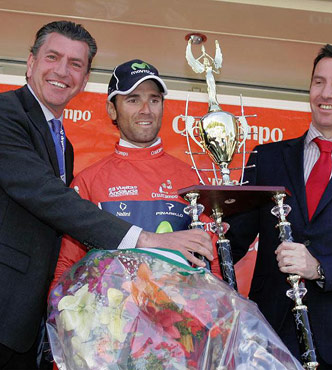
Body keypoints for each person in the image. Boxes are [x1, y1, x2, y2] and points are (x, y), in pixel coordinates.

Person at [0, 21, 212, 369]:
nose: (63, 71)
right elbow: (46, 197)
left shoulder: (62, 143)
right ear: (31, 62)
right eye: (53, 57)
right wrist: (145, 239)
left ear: (84, 80)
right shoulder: (7, 113)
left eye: (76, 65)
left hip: (160, 341)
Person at [227, 44, 332, 369]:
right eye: (318, 82)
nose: (326, 93)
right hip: (271, 337)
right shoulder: (267, 158)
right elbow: (232, 240)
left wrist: (320, 267)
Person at [51, 59, 221, 288]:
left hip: (177, 319)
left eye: (154, 99)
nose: (146, 110)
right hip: (109, 320)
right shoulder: (88, 181)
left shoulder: (193, 179)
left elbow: (214, 265)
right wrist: (60, 320)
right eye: (133, 100)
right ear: (112, 109)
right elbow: (67, 266)